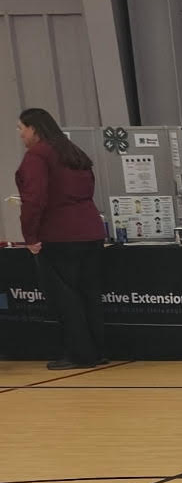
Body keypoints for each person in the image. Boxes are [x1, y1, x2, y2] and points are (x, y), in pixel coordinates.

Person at [14, 107, 106, 370]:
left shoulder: (37, 156)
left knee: (65, 297)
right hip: (90, 231)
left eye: (21, 128)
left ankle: (79, 354)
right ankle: (97, 351)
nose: (20, 134)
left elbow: (34, 199)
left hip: (58, 235)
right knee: (88, 293)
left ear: (34, 128)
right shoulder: (73, 152)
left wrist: (30, 236)